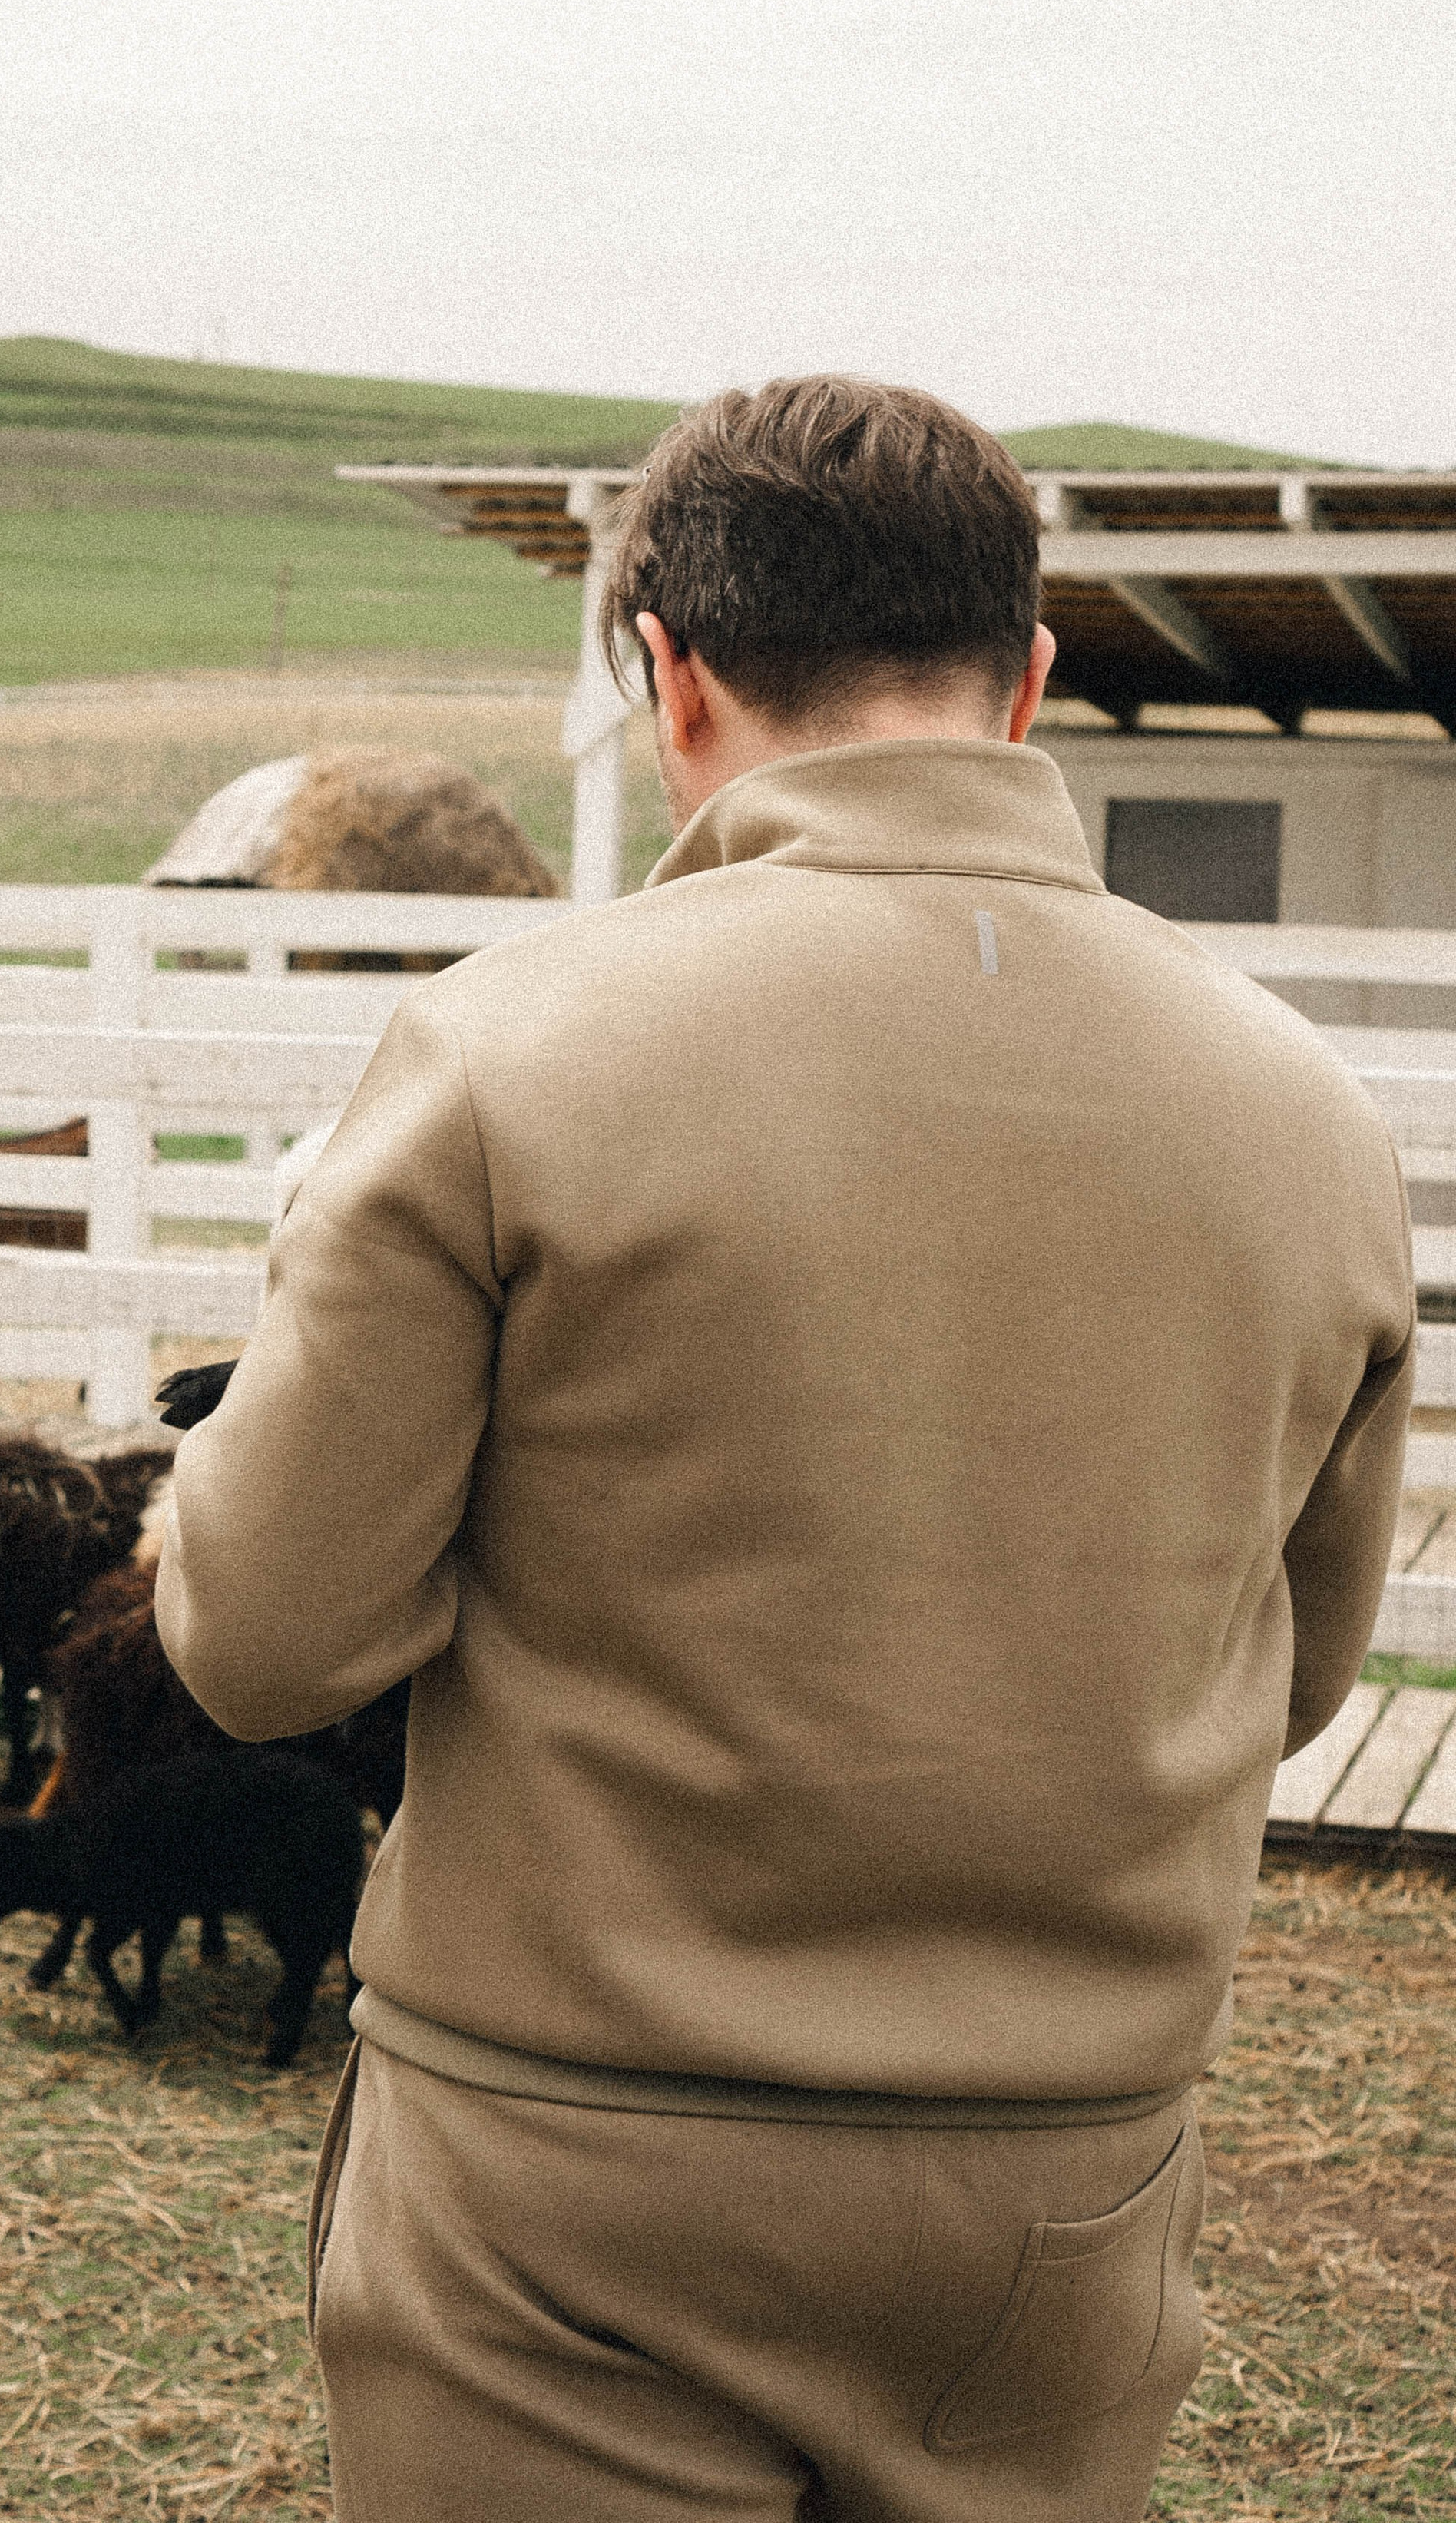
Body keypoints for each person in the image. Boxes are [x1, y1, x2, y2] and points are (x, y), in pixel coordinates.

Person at [155, 376, 1413, 2523]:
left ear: (666, 671)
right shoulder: (1305, 1114)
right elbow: (1291, 1680)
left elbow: (262, 1644)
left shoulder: (508, 1057)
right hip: (1066, 2195)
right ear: (1026, 680)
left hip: (566, 2190)